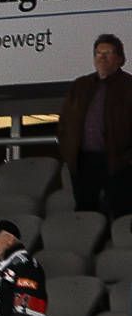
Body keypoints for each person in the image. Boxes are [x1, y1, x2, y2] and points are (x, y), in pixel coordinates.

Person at [59, 34, 131, 219]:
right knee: (85, 211)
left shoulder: (128, 86)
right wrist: (69, 152)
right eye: (98, 53)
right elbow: (65, 122)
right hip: (84, 161)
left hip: (119, 162)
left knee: (120, 211)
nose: (102, 58)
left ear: (120, 59)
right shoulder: (80, 86)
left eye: (108, 53)